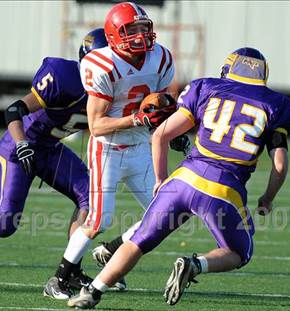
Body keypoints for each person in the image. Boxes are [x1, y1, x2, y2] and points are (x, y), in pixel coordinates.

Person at [67, 47, 290, 309]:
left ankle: (92, 291)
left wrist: (160, 178)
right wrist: (268, 199)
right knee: (240, 252)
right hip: (224, 190)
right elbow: (279, 164)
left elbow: (160, 135)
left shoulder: (206, 88)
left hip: (183, 179)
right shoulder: (277, 105)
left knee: (138, 242)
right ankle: (195, 264)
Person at [0, 28, 108, 292]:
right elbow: (14, 109)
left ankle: (71, 271)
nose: (114, 66)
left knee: (91, 197)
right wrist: (22, 144)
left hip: (50, 148)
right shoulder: (64, 77)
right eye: (108, 59)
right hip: (20, 148)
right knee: (4, 226)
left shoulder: (114, 87)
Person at [44, 1, 176, 299]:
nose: (141, 36)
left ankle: (113, 249)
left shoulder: (161, 58)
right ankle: (59, 279)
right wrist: (137, 118)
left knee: (168, 212)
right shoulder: (102, 64)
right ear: (115, 34)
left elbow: (162, 101)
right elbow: (97, 125)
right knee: (97, 220)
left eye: (144, 28)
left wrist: (169, 123)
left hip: (142, 146)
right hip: (108, 150)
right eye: (132, 30)